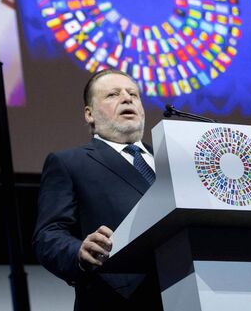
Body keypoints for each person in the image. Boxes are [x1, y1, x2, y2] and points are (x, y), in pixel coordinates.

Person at [34, 69, 163, 311]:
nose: (127, 99)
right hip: (119, 299)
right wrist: (78, 252)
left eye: (133, 94)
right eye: (113, 94)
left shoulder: (171, 160)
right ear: (89, 114)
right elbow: (48, 236)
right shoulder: (69, 163)